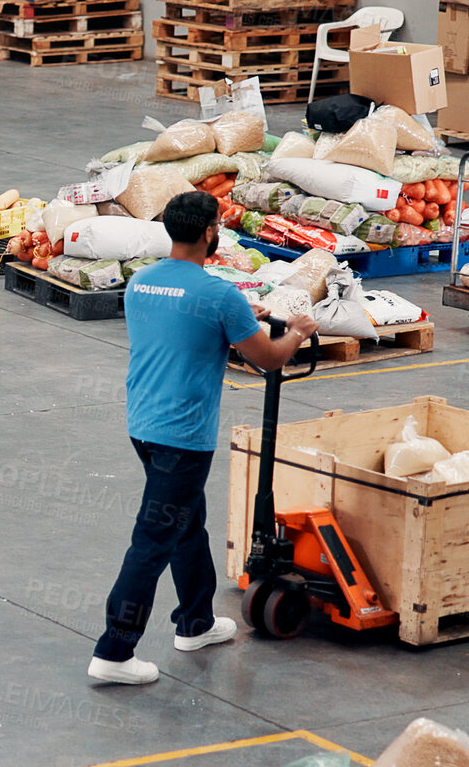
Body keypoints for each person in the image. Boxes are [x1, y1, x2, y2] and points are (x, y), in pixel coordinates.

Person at [87, 192, 319, 685]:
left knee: (186, 523)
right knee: (151, 542)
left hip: (143, 425)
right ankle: (114, 650)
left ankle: (195, 622)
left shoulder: (143, 281)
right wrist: (296, 330)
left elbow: (181, 326)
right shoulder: (217, 295)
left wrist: (239, 310)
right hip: (183, 437)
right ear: (211, 231)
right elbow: (269, 359)